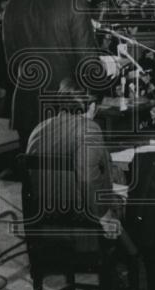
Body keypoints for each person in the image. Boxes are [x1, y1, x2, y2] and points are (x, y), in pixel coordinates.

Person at [3, 0, 112, 149]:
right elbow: (87, 65)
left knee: (33, 174)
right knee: (66, 176)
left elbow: (12, 61)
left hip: (26, 106)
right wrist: (104, 83)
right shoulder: (73, 5)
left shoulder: (13, 5)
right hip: (65, 108)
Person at [26, 81, 123, 241]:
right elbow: (88, 179)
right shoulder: (89, 128)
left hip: (43, 213)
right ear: (92, 106)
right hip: (81, 215)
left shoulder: (39, 129)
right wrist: (104, 215)